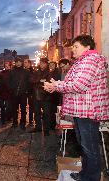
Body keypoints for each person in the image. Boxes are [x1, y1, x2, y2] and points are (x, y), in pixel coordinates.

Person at [44, 35, 109, 181]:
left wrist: (56, 85)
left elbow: (79, 85)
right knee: (84, 145)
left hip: (88, 110)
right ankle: (85, 175)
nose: (72, 49)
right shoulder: (83, 61)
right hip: (82, 109)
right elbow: (73, 81)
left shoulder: (90, 60)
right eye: (72, 47)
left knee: (89, 147)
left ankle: (90, 178)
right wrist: (57, 84)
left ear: (87, 47)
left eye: (76, 46)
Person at [9, 57, 30, 130]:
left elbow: (28, 82)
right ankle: (15, 122)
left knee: (23, 109)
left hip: (23, 94)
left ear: (22, 63)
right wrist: (12, 90)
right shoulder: (12, 71)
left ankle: (23, 123)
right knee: (14, 109)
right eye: (17, 62)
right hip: (14, 94)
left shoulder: (26, 71)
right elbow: (9, 82)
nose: (18, 63)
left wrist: (26, 90)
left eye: (19, 62)